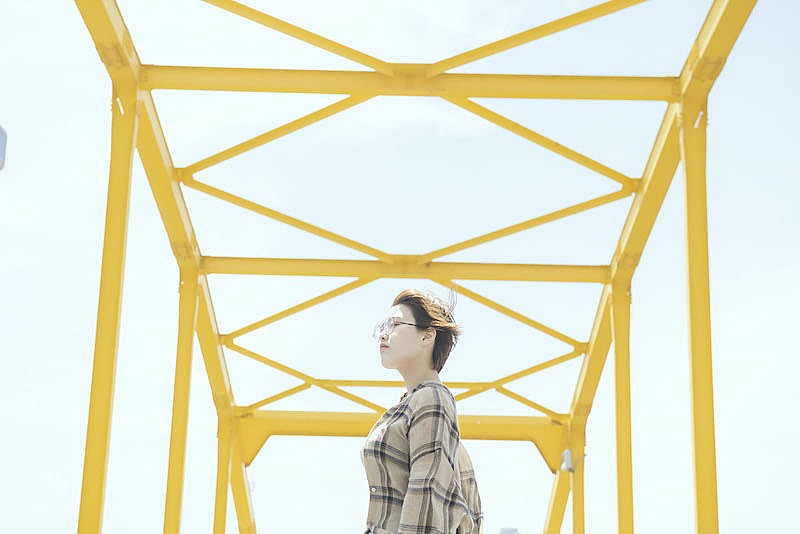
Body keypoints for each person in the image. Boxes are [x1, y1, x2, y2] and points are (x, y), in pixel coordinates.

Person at [361, 288, 484, 534]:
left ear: (427, 336)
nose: (383, 333)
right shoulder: (413, 403)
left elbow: (426, 492)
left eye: (395, 324)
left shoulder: (432, 399)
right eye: (382, 326)